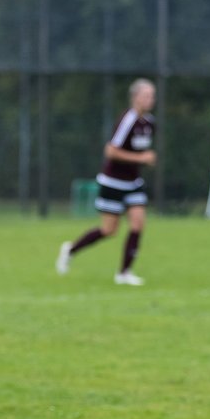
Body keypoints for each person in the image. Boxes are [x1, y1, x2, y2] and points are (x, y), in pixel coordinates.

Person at [56, 78, 157, 285]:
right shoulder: (127, 120)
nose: (151, 99)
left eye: (152, 95)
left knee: (138, 222)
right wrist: (141, 158)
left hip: (133, 182)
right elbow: (110, 151)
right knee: (109, 230)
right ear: (135, 97)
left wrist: (144, 159)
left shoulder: (149, 123)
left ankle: (124, 273)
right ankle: (71, 250)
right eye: (147, 95)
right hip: (113, 182)